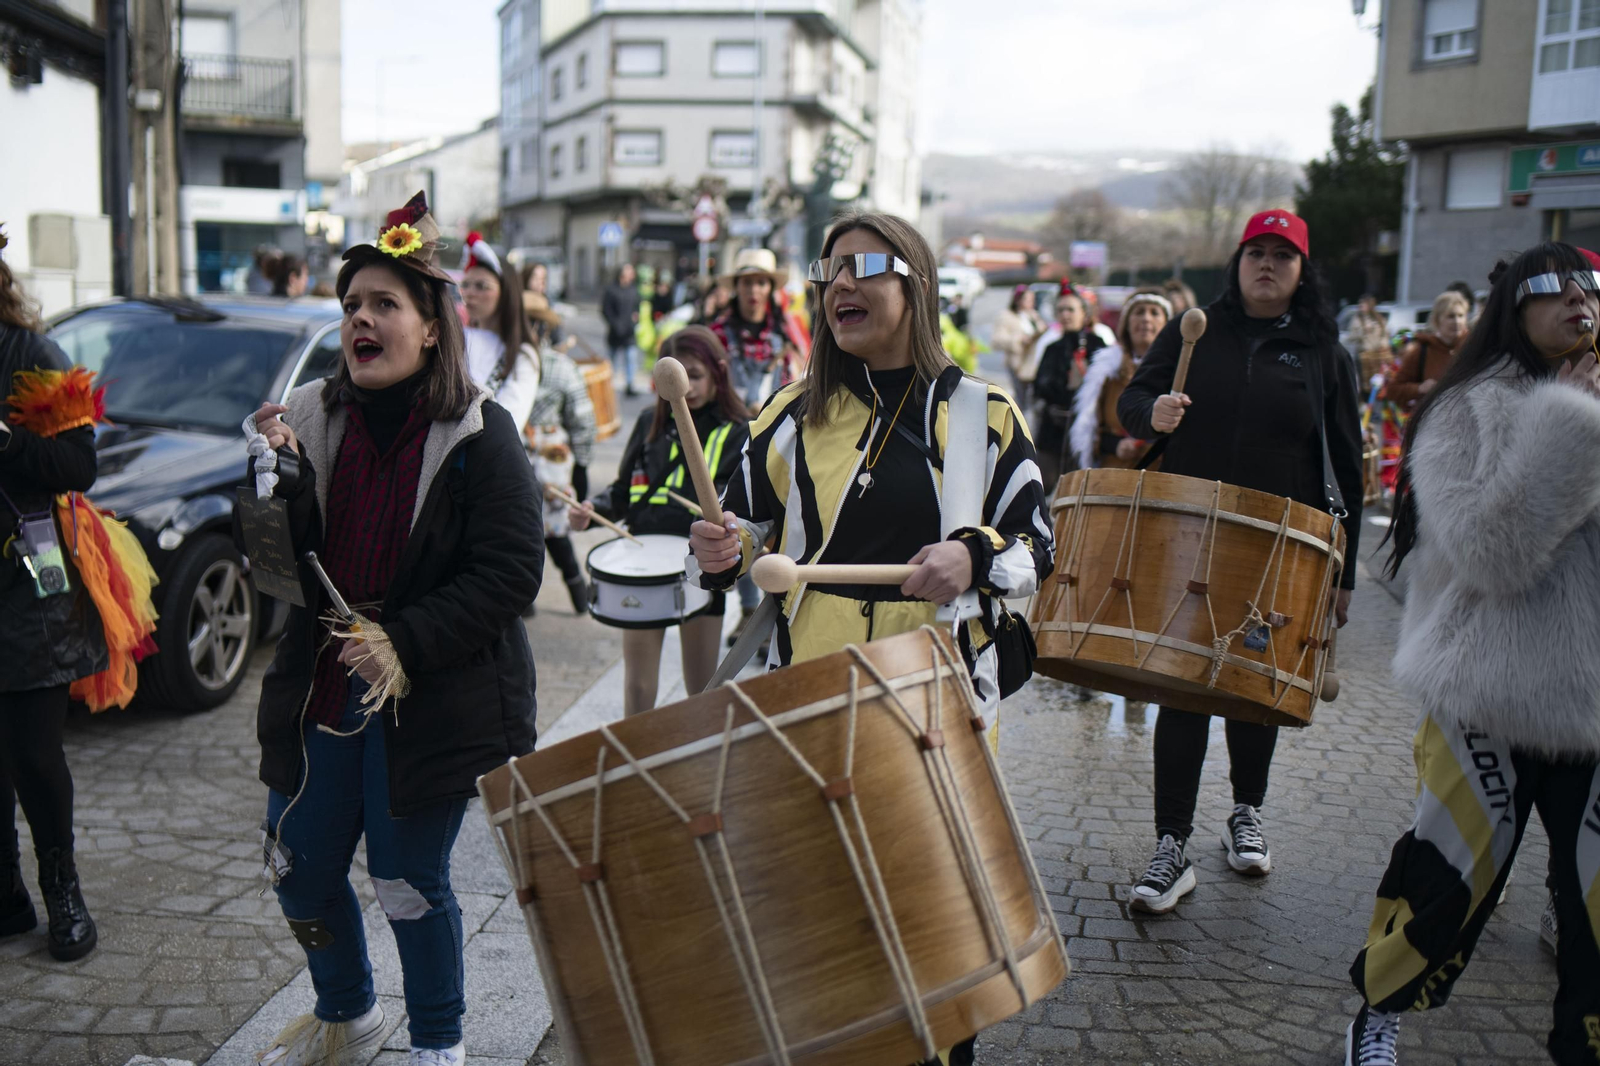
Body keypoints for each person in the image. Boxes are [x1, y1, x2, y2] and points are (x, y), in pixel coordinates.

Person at [688, 214, 1052, 1066]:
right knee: (827, 920)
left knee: (938, 925)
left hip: (938, 701)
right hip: (811, 695)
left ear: (914, 283)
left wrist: (973, 555)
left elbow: (1040, 545)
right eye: (830, 270)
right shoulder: (790, 413)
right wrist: (724, 549)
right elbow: (745, 531)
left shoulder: (982, 414)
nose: (841, 284)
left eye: (865, 267)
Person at [245, 192, 543, 1066]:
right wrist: (276, 492)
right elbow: (274, 565)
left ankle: (439, 1046)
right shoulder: (304, 418)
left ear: (431, 326)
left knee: (407, 882)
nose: (360, 321)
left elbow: (509, 575)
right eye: (350, 306)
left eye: (384, 304)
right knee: (297, 866)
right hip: (321, 687)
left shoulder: (481, 434)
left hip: (433, 695)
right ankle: (348, 1015)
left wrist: (405, 641)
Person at [1343, 243, 1600, 1066]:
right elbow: (1494, 551)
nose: (1581, 305)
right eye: (1558, 292)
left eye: (1593, 292)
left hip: (1590, 703)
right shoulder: (1463, 409)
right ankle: (1379, 1011)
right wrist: (1569, 425)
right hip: (1482, 695)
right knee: (1448, 877)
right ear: (1514, 307)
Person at [1116, 209, 1363, 915]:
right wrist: (1152, 412)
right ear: (1238, 261)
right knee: (1184, 685)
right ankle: (1171, 844)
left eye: (1282, 257)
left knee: (1256, 684)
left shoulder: (1323, 351)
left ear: (1301, 271)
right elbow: (1135, 401)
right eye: (1256, 252)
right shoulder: (1196, 329)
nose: (1267, 265)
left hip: (1281, 547)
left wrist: (1341, 574)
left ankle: (1246, 811)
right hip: (1189, 537)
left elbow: (1347, 461)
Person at [0, 227, 104, 962]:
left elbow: (78, 462)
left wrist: (1, 442)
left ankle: (64, 893)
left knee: (34, 755)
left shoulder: (30, 354)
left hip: (24, 590)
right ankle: (6, 896)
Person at [570, 326, 749, 715]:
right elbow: (622, 493)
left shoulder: (740, 430)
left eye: (696, 376)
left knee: (702, 690)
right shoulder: (652, 421)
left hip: (703, 565)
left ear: (719, 371)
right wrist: (591, 511)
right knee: (638, 687)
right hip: (644, 560)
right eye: (676, 378)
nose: (686, 389)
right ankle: (638, 767)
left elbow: (744, 508)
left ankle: (696, 766)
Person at [526, 325, 599, 616]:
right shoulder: (494, 360)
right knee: (520, 531)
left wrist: (581, 464)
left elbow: (582, 420)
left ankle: (579, 595)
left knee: (554, 531)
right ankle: (526, 602)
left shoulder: (558, 366)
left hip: (548, 459)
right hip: (519, 453)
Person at [1070, 288, 1171, 470]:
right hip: (1113, 476)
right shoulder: (1107, 372)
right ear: (1126, 323)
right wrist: (1116, 445)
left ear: (1166, 324)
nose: (1146, 319)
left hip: (1161, 476)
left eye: (1154, 313)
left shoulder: (1177, 371)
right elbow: (1090, 431)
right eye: (1139, 312)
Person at [459, 232, 540, 437]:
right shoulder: (460, 338)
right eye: (466, 285)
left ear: (506, 292)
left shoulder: (523, 355)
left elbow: (509, 423)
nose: (470, 293)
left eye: (482, 286)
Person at [709, 247, 808, 410]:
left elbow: (797, 380)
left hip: (774, 426)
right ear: (736, 287)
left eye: (761, 283)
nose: (753, 290)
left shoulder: (786, 333)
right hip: (728, 427)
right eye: (747, 282)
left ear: (770, 288)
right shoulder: (717, 334)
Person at [1032, 287, 1106, 491]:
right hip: (1053, 428)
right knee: (1045, 484)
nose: (1065, 315)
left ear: (1084, 313)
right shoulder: (1052, 347)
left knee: (1081, 487)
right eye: (1061, 310)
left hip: (1087, 427)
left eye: (1071, 310)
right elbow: (1039, 388)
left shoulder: (1098, 345)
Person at [1383, 290, 1469, 410]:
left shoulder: (1472, 347)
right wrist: (1419, 388)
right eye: (1450, 316)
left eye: (1461, 316)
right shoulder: (1423, 350)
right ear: (1437, 320)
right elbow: (1393, 390)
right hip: (1435, 422)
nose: (1457, 321)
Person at [992, 285, 1048, 407]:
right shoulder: (1006, 316)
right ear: (1018, 300)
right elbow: (997, 340)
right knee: (1021, 397)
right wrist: (1018, 340)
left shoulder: (1033, 315)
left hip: (1034, 361)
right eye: (1027, 300)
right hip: (1018, 362)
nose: (1031, 303)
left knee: (1032, 396)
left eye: (1032, 300)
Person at [602, 263, 642, 396]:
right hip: (615, 332)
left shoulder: (633, 289)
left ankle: (630, 385)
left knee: (631, 358)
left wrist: (636, 318)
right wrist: (615, 324)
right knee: (612, 360)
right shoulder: (612, 290)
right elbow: (606, 310)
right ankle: (608, 386)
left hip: (629, 332)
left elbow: (637, 307)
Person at [1347, 294, 1393, 389]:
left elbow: (1385, 334)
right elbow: (1351, 336)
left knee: (1379, 381)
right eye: (1360, 304)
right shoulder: (1357, 319)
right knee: (1364, 382)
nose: (1360, 306)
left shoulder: (1379, 319)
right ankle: (1366, 399)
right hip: (1363, 355)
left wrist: (1383, 345)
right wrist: (1362, 331)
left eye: (1363, 304)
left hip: (1377, 355)